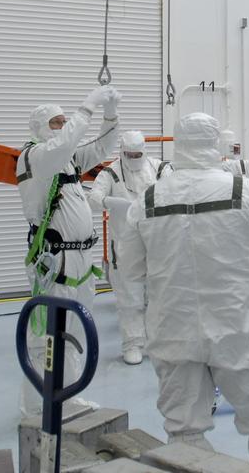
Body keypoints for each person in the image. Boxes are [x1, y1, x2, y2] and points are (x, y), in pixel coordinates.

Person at [119, 113, 249, 473]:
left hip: (172, 329)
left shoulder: (148, 199)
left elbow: (131, 267)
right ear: (215, 142)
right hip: (236, 327)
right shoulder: (242, 190)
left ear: (178, 143)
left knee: (183, 431)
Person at [17, 86, 121, 417]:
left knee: (74, 328)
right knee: (49, 327)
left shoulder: (69, 161)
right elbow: (63, 144)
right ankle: (39, 401)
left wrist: (110, 114)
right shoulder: (35, 157)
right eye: (56, 121)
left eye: (65, 121)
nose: (63, 126)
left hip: (79, 258)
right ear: (40, 126)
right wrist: (86, 108)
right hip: (54, 258)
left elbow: (103, 146)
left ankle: (68, 395)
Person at [91, 130, 170, 365]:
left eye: (138, 154)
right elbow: (93, 199)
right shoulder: (111, 173)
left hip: (157, 243)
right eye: (129, 154)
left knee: (160, 297)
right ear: (122, 152)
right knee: (129, 298)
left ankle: (159, 344)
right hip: (125, 245)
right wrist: (110, 202)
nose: (134, 158)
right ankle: (132, 344)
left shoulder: (160, 169)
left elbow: (176, 192)